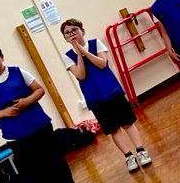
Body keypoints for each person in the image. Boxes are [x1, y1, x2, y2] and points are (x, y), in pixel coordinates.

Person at [0, 44, 80, 183]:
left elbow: (39, 90)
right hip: (17, 137)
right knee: (37, 171)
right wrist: (4, 113)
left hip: (40, 126)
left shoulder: (18, 72)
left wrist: (27, 101)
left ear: (2, 56)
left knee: (56, 163)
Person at [60, 18, 151, 173]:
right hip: (95, 99)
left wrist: (83, 51)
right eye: (68, 33)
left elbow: (102, 63)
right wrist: (79, 55)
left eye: (74, 30)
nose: (72, 34)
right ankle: (129, 156)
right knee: (113, 129)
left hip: (112, 91)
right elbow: (81, 75)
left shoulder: (96, 44)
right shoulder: (68, 56)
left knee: (127, 123)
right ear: (65, 38)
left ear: (82, 30)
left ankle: (141, 151)